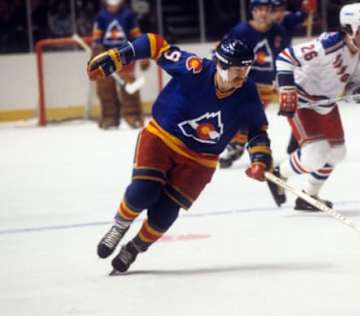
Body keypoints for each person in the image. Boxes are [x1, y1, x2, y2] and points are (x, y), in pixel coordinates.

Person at [87, 34, 273, 272]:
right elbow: (155, 45)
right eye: (236, 70)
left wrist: (260, 158)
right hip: (163, 137)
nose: (241, 76)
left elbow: (257, 130)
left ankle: (134, 248)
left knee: (164, 214)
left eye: (246, 70)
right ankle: (120, 225)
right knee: (143, 191)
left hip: (200, 160)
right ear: (220, 64)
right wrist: (118, 56)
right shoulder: (194, 68)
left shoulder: (247, 92)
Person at [268, 2, 360, 211]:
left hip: (326, 103)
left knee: (337, 152)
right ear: (350, 27)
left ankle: (309, 196)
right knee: (315, 154)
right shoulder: (328, 44)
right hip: (302, 99)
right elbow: (285, 57)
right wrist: (288, 88)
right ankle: (278, 173)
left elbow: (353, 91)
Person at [218, 0, 288, 168]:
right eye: (259, 9)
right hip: (243, 83)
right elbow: (223, 50)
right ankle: (237, 144)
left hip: (266, 85)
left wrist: (285, 82)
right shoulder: (241, 31)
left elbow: (285, 57)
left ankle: (237, 145)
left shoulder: (278, 31)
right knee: (240, 116)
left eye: (267, 9)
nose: (263, 13)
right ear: (253, 12)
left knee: (249, 118)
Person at [92, 0, 149, 129]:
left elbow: (136, 35)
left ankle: (133, 116)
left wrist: (143, 53)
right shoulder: (101, 16)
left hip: (125, 54)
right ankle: (109, 118)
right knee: (105, 88)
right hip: (106, 55)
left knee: (129, 85)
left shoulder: (128, 15)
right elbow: (97, 38)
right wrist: (97, 51)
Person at [271, 0, 317, 154]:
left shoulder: (287, 19)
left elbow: (302, 16)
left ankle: (296, 140)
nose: (278, 13)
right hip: (262, 71)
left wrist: (306, 8)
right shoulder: (261, 25)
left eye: (280, 9)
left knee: (293, 104)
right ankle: (237, 143)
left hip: (284, 69)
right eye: (274, 9)